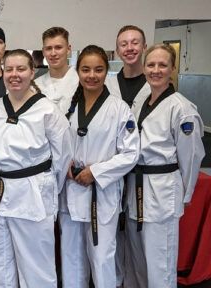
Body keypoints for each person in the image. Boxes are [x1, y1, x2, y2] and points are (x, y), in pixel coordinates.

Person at [0, 49, 72, 287]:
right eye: (9, 69)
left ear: (32, 72)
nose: (14, 75)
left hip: (32, 194)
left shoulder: (48, 111)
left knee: (36, 266)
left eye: (21, 69)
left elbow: (63, 157)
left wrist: (45, 185)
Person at [125, 43, 205, 288]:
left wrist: (184, 193)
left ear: (172, 69)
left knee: (160, 262)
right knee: (136, 260)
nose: (156, 70)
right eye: (151, 64)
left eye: (162, 65)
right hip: (135, 186)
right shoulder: (141, 100)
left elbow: (191, 157)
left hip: (162, 191)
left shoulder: (181, 108)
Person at [62, 45, 139, 288]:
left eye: (98, 69)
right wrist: (63, 165)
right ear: (78, 71)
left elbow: (130, 153)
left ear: (107, 72)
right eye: (85, 69)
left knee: (102, 256)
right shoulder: (66, 105)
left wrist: (95, 172)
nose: (91, 75)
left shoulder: (119, 109)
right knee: (71, 257)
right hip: (71, 189)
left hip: (101, 194)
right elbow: (53, 142)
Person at [105, 25, 151, 287]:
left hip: (143, 172)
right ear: (117, 48)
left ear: (144, 47)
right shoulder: (108, 83)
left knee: (139, 239)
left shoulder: (155, 80)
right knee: (113, 235)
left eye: (135, 43)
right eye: (124, 44)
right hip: (113, 169)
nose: (130, 48)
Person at [35, 27, 79, 114]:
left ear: (68, 49)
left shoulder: (82, 82)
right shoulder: (35, 85)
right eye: (48, 48)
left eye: (58, 47)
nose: (53, 53)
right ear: (43, 51)